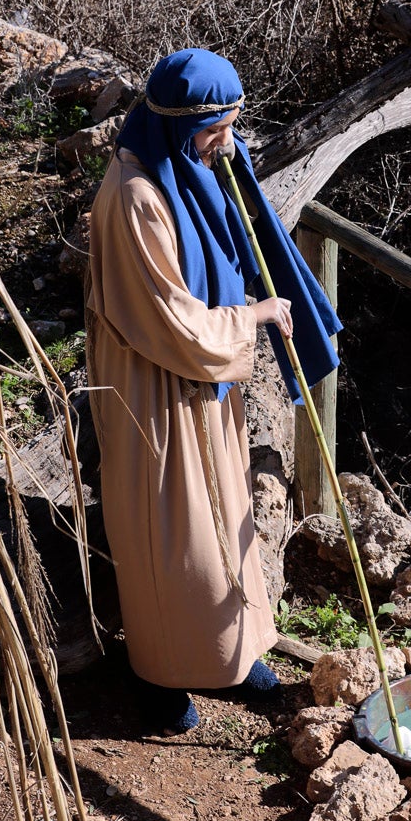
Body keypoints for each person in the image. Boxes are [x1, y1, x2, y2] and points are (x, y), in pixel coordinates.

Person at [85, 48, 340, 732]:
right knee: (171, 540)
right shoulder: (138, 196)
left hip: (199, 386)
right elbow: (169, 320)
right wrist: (252, 315)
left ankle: (231, 656)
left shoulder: (184, 169)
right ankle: (160, 680)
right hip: (154, 392)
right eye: (217, 126)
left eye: (231, 122)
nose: (228, 140)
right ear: (178, 124)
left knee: (225, 520)